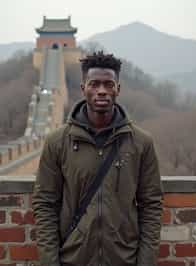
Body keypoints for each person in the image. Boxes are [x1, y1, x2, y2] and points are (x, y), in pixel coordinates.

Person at [33, 51, 163, 266]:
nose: (102, 91)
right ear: (83, 87)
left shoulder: (141, 142)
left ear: (118, 89)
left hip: (124, 259)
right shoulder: (58, 142)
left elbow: (151, 205)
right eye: (94, 84)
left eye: (108, 84)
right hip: (73, 259)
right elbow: (45, 204)